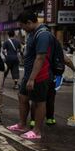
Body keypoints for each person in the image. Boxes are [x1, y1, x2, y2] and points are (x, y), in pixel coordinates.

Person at [7, 11, 52, 140]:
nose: (22, 29)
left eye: (23, 26)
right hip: (29, 73)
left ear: (29, 23)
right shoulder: (32, 33)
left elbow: (41, 57)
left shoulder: (42, 34)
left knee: (38, 102)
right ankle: (22, 124)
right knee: (22, 97)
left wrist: (32, 78)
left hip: (39, 74)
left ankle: (37, 131)